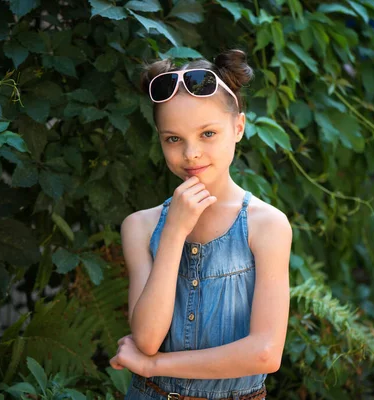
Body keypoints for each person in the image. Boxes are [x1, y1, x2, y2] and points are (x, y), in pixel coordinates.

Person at [110, 49, 292, 400]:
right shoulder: (140, 226)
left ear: (238, 127)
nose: (190, 153)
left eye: (207, 133)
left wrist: (154, 366)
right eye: (173, 139)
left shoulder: (267, 226)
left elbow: (266, 353)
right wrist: (174, 231)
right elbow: (147, 338)